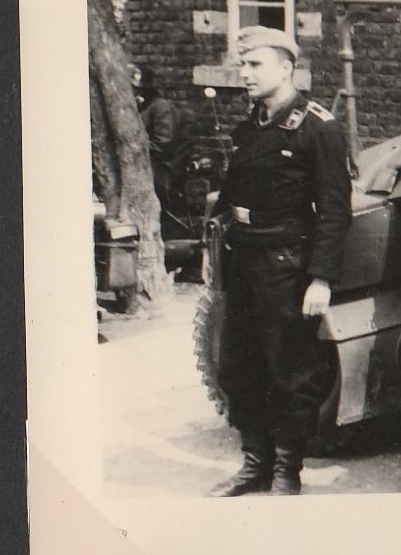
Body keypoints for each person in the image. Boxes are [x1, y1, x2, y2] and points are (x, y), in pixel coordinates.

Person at [209, 26, 352, 496]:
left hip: (286, 265)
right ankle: (256, 463)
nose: (244, 73)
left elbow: (335, 210)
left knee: (290, 372)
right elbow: (233, 192)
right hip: (244, 259)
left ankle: (287, 470)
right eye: (243, 64)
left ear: (287, 68)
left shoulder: (318, 128)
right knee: (237, 368)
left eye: (255, 65)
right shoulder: (251, 125)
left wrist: (322, 278)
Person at [130, 64, 190, 208]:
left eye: (134, 89)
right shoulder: (137, 108)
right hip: (143, 163)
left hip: (162, 168)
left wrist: (131, 147)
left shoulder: (160, 107)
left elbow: (163, 145)